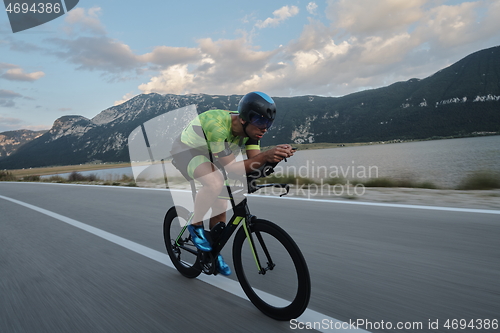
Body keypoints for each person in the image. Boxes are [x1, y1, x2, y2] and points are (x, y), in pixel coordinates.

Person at [170, 91, 294, 276]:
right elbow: (235, 169)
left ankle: (211, 252)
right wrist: (266, 155)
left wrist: (273, 158)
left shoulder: (252, 131)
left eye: (268, 123)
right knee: (214, 182)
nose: (265, 128)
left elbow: (254, 164)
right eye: (261, 122)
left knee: (221, 201)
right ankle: (195, 227)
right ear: (244, 119)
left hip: (213, 154)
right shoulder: (217, 125)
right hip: (187, 151)